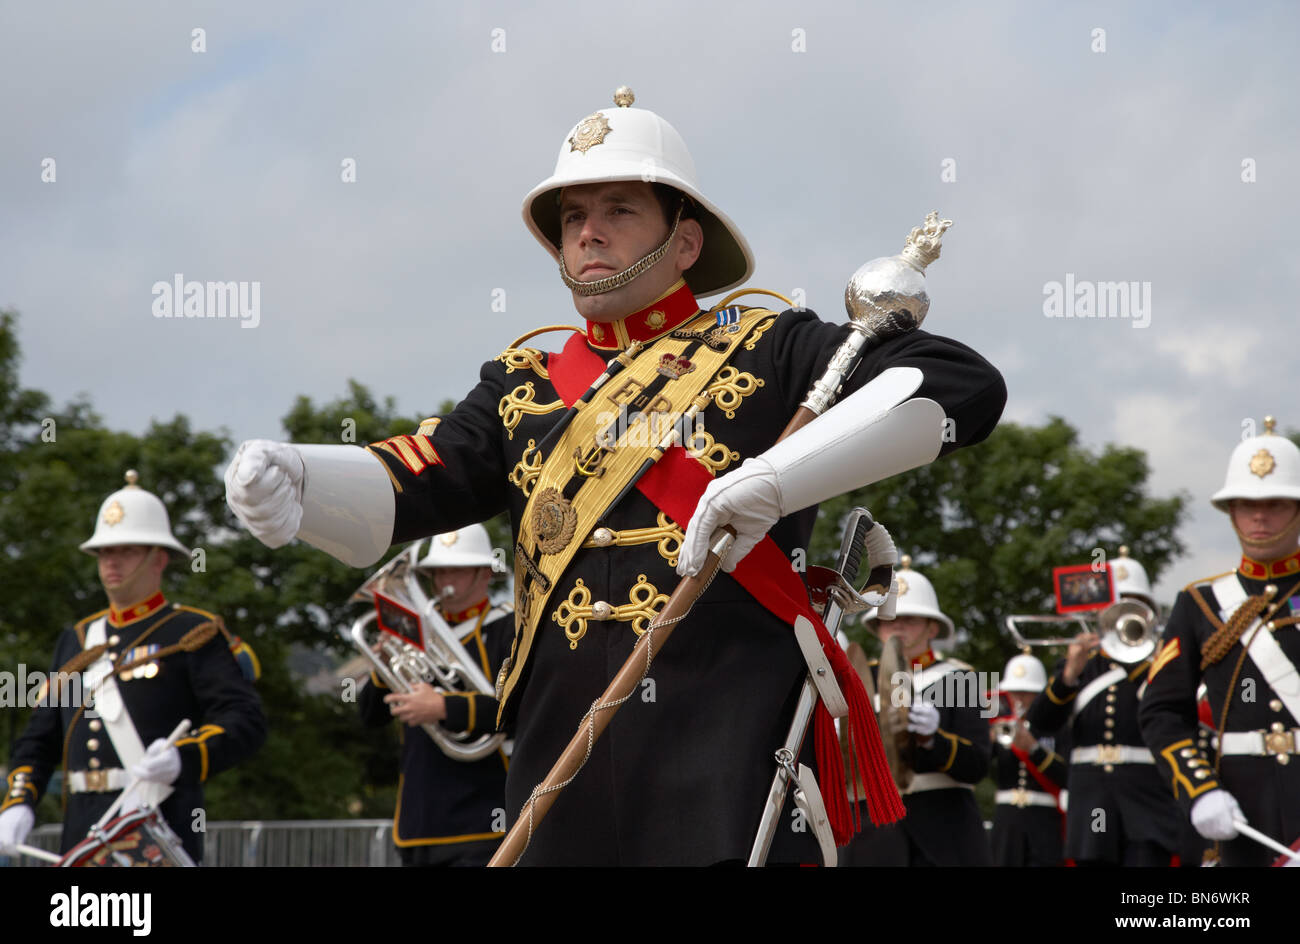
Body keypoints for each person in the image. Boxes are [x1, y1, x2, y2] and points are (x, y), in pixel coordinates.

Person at [225, 88, 1006, 864]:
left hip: (730, 764)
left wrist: (779, 477)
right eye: (572, 217)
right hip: (557, 773)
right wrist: (303, 481)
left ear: (687, 243)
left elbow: (962, 387)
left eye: (619, 209)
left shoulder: (771, 347)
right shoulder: (520, 384)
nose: (588, 230)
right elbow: (417, 479)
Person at [0, 471, 266, 863]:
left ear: (158, 557)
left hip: (156, 831)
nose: (111, 561)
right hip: (82, 838)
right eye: (105, 551)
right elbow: (39, 740)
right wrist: (19, 801)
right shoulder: (76, 639)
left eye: (125, 550)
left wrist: (184, 757)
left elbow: (245, 721)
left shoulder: (193, 631)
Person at [1140, 416, 1300, 866]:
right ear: (1230, 511)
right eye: (1246, 504)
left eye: (1276, 503)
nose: (1259, 515)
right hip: (1242, 816)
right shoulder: (1199, 604)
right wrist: (1199, 790)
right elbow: (1162, 712)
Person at [357, 524, 512, 866]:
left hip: (484, 822)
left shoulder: (509, 628)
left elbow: (519, 712)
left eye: (455, 568)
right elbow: (369, 716)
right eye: (437, 571)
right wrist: (382, 668)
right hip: (418, 823)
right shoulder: (413, 632)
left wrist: (443, 706)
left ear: (484, 573)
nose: (444, 580)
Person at [1025, 547, 1180, 866]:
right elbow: (1041, 723)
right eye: (1114, 606)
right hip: (1090, 799)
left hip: (1147, 798)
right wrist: (1068, 675)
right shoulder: (1083, 666)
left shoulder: (1162, 663)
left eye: (1132, 605)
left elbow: (1173, 716)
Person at [840, 557, 991, 865]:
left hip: (943, 831)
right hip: (873, 832)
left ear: (932, 627)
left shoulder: (962, 678)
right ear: (876, 628)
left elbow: (978, 764)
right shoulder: (857, 680)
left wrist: (934, 740)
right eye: (889, 618)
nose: (897, 625)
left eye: (910, 618)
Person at [988, 652, 1069, 867]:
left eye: (1027, 693)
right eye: (1014, 692)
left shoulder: (1057, 727)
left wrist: (1034, 749)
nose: (1019, 699)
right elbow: (978, 768)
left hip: (1044, 820)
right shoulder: (1000, 723)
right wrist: (987, 741)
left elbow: (1067, 777)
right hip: (1007, 821)